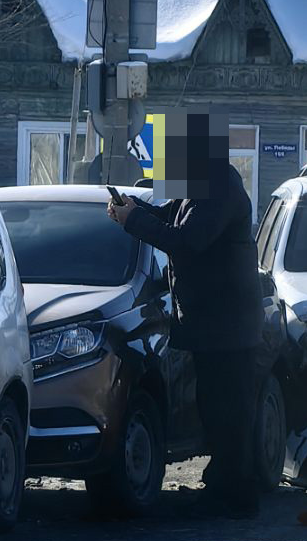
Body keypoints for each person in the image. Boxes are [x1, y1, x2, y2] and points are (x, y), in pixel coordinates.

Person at [107, 108, 265, 519]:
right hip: (214, 323)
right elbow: (172, 216)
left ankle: (236, 494)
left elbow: (187, 240)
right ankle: (225, 485)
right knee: (215, 407)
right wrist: (135, 208)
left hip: (227, 325)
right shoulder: (202, 185)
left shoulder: (218, 186)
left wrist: (133, 221)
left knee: (229, 411)